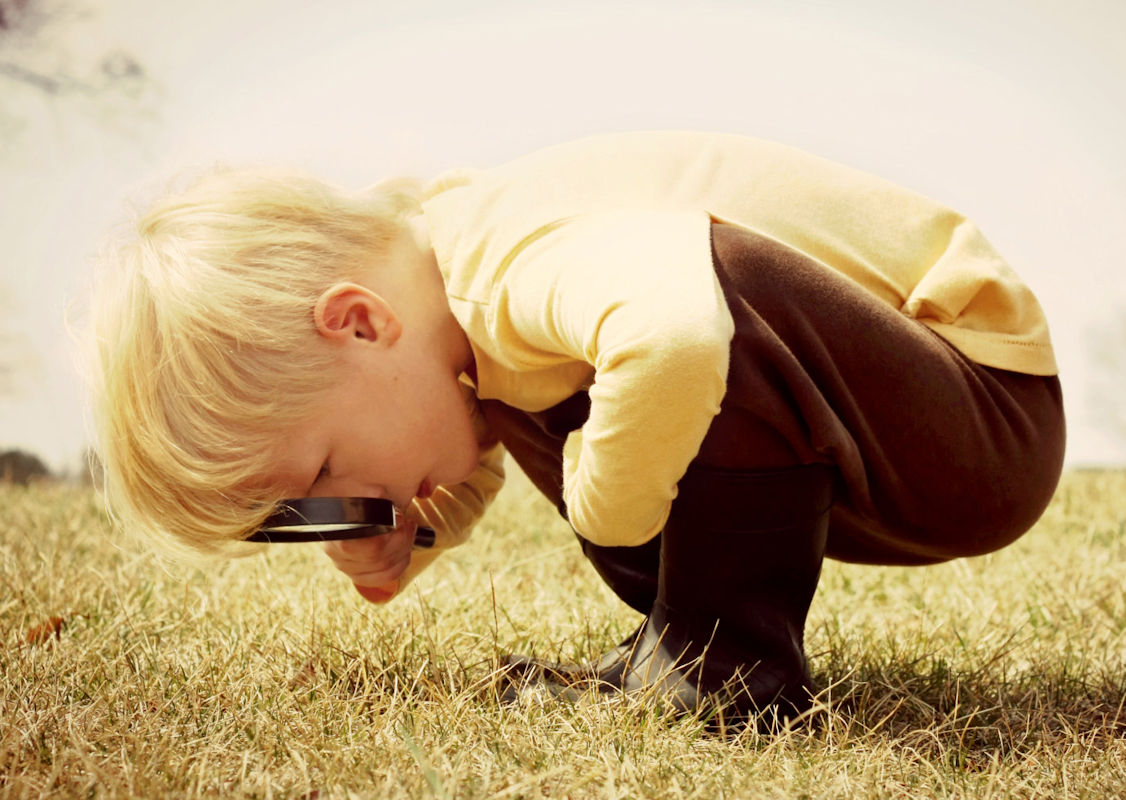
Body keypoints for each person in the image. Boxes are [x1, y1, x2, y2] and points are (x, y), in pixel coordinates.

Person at [89, 131, 1065, 726]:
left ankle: (723, 669)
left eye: (330, 471)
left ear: (357, 321)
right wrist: (399, 534)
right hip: (901, 421)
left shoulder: (506, 262)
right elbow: (475, 424)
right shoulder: (456, 296)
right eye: (317, 511)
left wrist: (608, 508)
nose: (348, 504)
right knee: (568, 391)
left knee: (685, 321)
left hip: (977, 409)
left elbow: (682, 336)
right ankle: (684, 640)